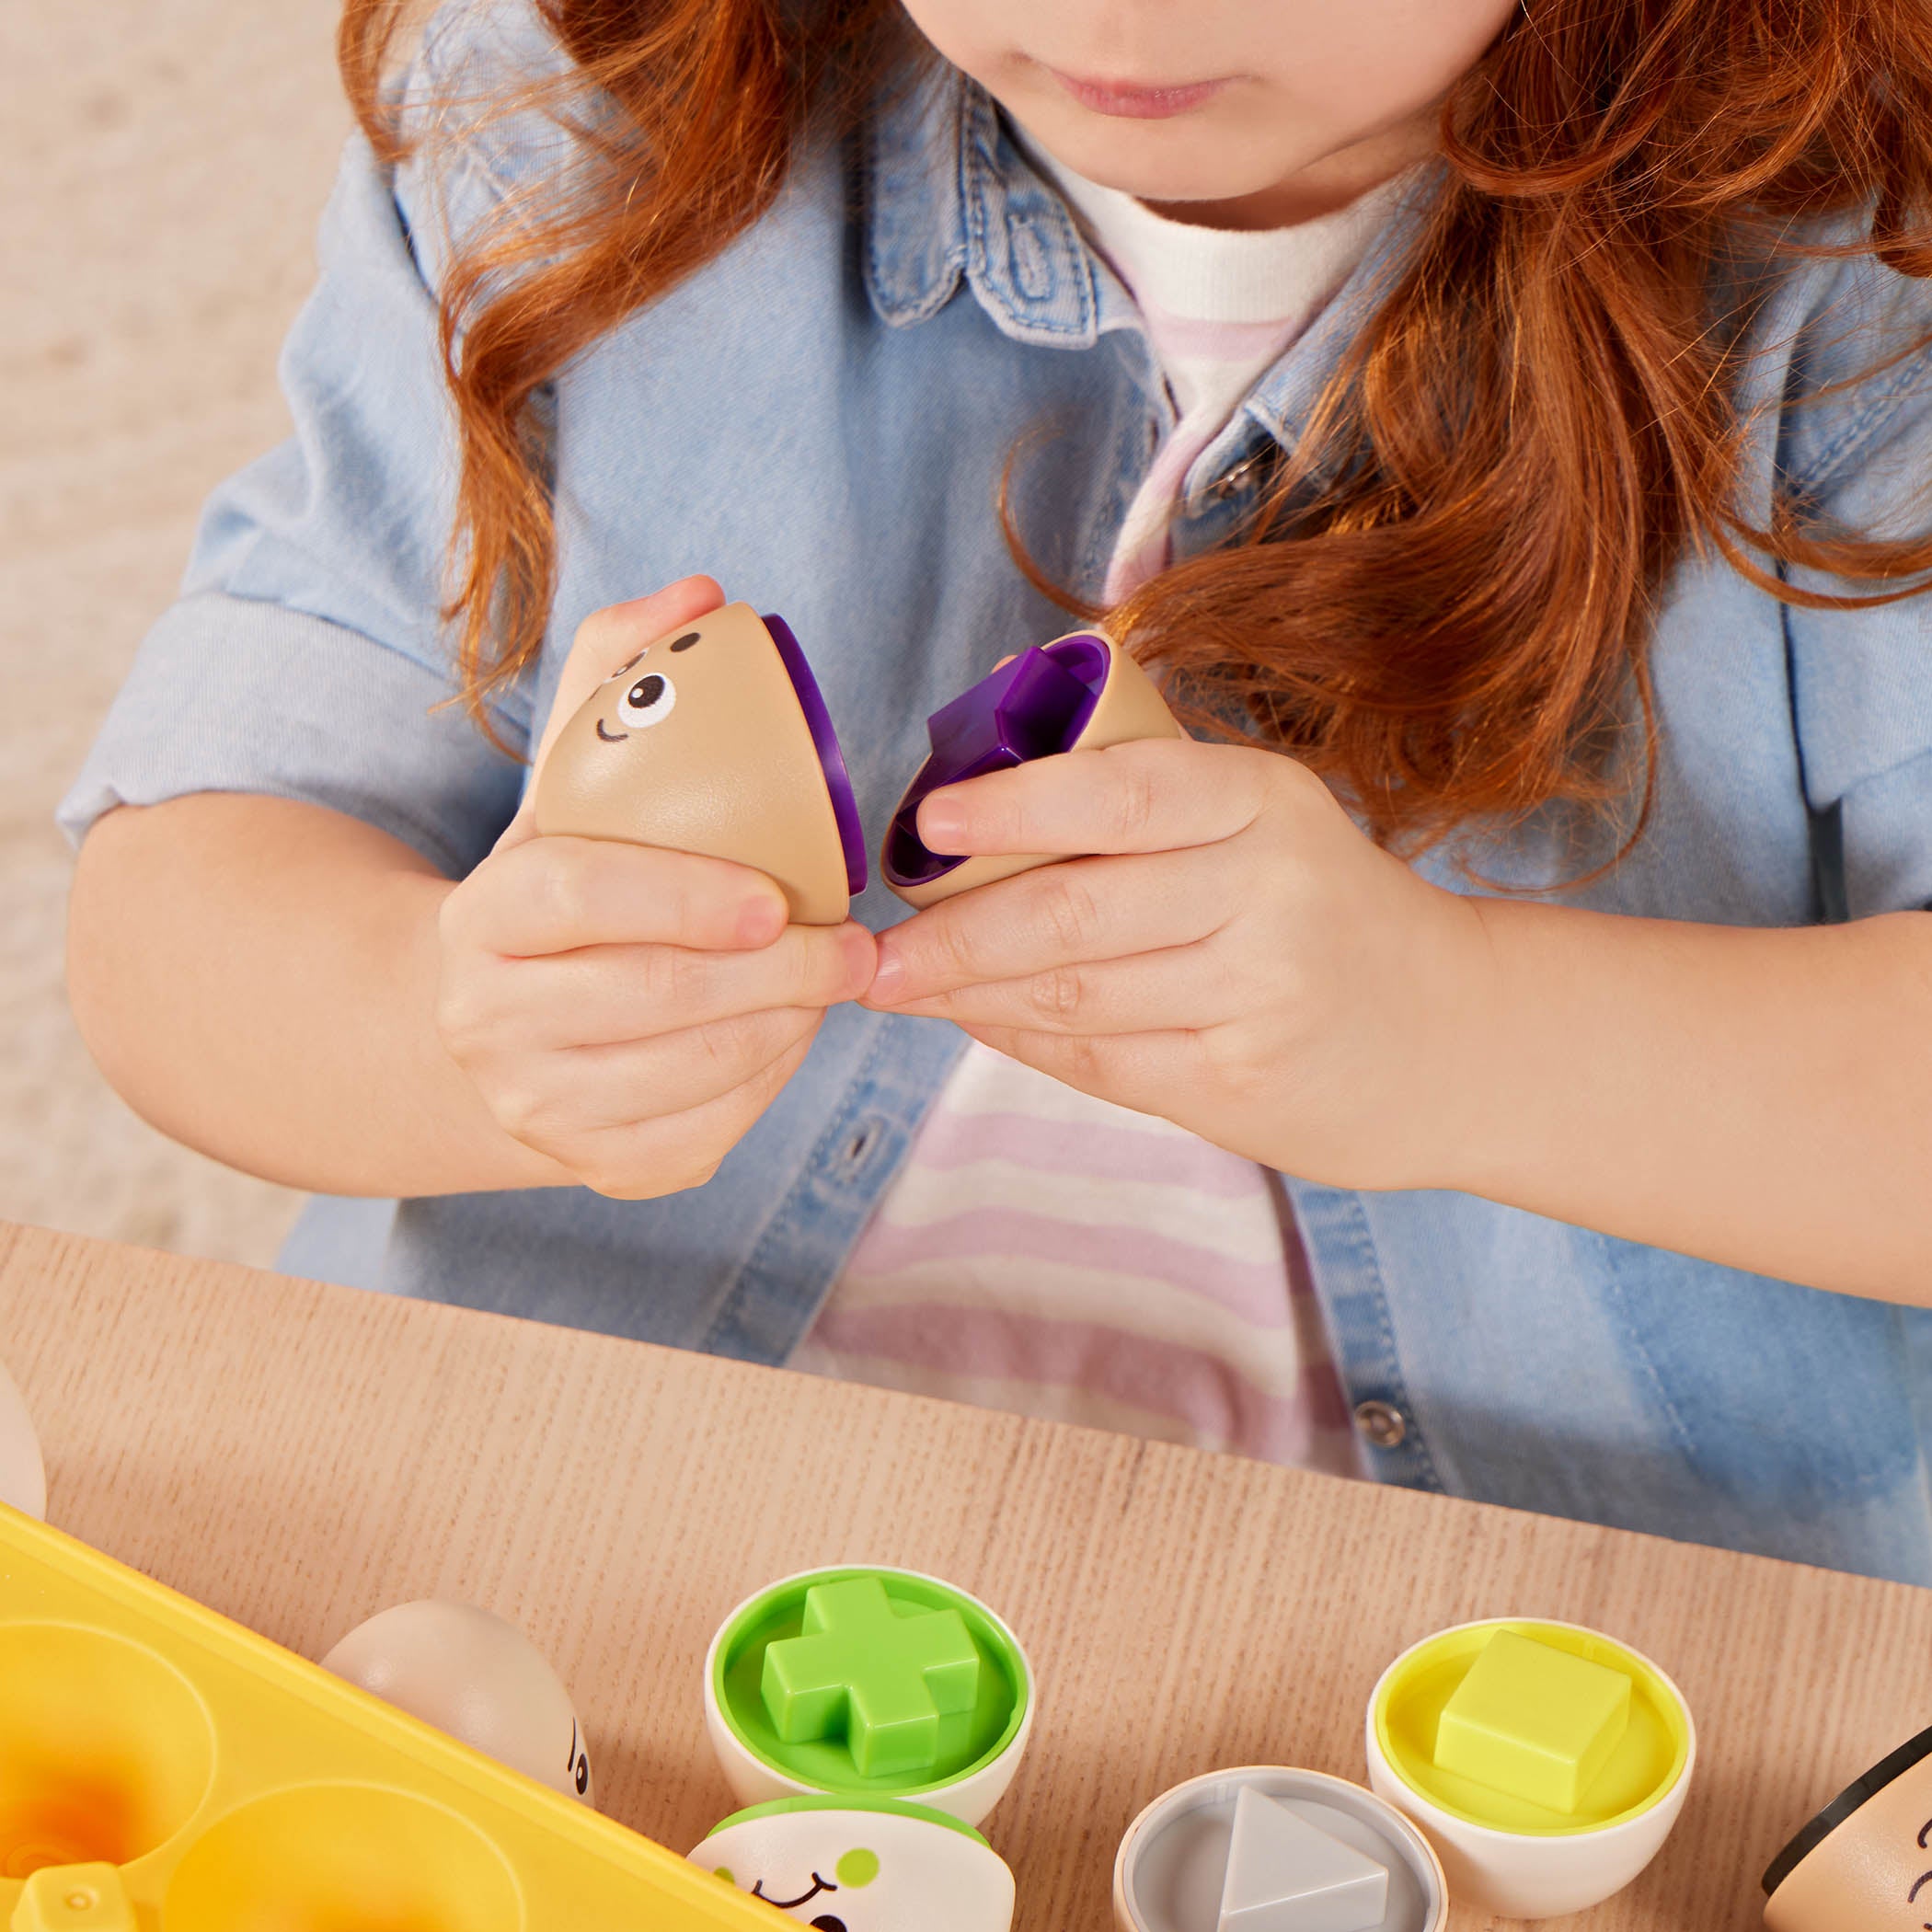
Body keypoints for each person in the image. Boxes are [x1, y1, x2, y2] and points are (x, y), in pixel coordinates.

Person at [61, 0, 1932, 1581]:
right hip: (600, 1510)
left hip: (1530, 1621)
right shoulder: (588, 104)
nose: (1122, 21)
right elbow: (183, 898)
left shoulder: (1872, 274)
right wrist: (453, 1024)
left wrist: (1457, 1032)